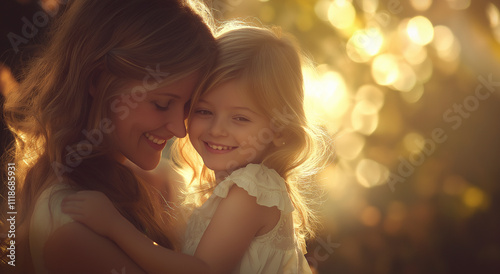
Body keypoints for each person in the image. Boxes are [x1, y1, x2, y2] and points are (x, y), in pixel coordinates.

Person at [61, 24, 330, 274]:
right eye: (204, 110)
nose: (217, 130)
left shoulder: (253, 190)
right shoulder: (230, 188)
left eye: (240, 118)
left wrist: (114, 227)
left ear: (279, 130)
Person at [0, 0, 216, 272]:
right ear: (97, 79)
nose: (179, 128)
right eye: (161, 104)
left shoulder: (119, 180)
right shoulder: (73, 227)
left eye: (188, 106)